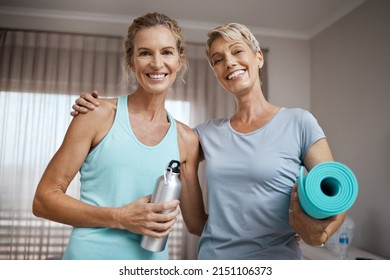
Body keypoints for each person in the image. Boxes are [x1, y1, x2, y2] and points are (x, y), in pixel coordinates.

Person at [71, 22, 346, 259]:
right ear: (215, 72)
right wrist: (102, 108)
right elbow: (147, 138)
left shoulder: (299, 123)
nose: (229, 62)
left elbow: (337, 198)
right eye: (218, 59)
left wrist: (318, 233)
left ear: (258, 57)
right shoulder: (203, 135)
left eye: (237, 51)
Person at [32, 12, 207, 260]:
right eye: (145, 52)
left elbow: (197, 223)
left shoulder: (186, 139)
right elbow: (43, 201)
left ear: (179, 60)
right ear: (131, 61)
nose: (157, 63)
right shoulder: (96, 114)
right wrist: (120, 218)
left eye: (167, 52)